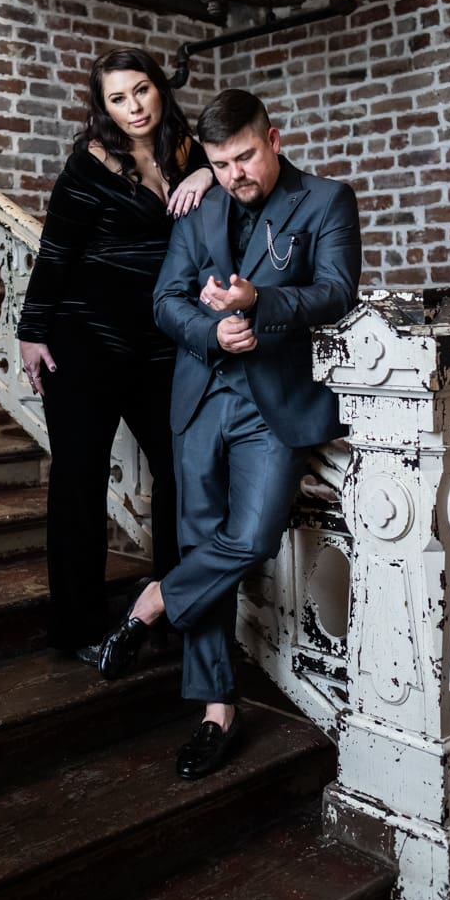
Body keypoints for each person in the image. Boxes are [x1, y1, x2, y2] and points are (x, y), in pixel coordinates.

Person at [98, 88, 361, 778]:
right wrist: (213, 327)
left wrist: (259, 303)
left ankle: (154, 601)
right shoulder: (201, 206)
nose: (234, 174)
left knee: (249, 536)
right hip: (199, 397)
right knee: (197, 541)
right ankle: (216, 711)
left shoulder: (328, 200)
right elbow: (165, 302)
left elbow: (336, 292)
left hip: (274, 403)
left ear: (273, 139)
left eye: (244, 156)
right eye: (219, 163)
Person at [17, 48, 214, 664]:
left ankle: (172, 603)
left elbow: (244, 174)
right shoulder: (89, 165)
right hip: (83, 340)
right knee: (78, 481)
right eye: (118, 99)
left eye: (142, 91)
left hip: (160, 343)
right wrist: (32, 331)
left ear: (160, 89)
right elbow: (56, 253)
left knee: (182, 471)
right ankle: (77, 626)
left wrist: (205, 174)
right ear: (102, 108)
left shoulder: (189, 153)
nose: (134, 108)